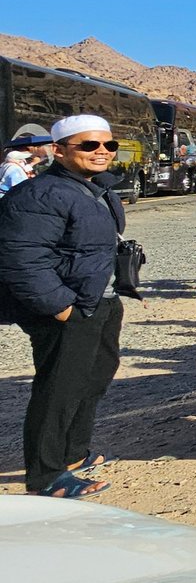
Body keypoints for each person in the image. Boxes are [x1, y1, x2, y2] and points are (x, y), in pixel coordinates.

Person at [0, 115, 128, 498]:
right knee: (59, 388)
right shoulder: (41, 194)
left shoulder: (94, 188)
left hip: (98, 301)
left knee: (93, 378)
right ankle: (46, 475)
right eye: (89, 145)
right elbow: (20, 258)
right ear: (58, 150)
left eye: (108, 145)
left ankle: (73, 455)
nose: (101, 152)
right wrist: (60, 307)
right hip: (68, 307)